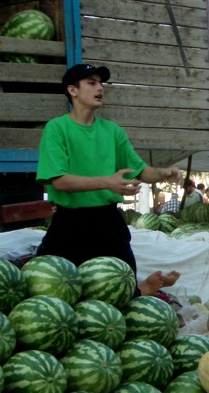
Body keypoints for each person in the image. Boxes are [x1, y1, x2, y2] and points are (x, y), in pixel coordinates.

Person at [36, 63, 180, 296]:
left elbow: (141, 171)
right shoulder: (57, 129)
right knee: (58, 291)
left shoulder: (112, 131)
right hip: (69, 224)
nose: (100, 88)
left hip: (108, 221)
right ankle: (145, 288)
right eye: (91, 83)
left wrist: (163, 173)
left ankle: (143, 290)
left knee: (122, 291)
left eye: (101, 83)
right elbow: (60, 182)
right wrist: (107, 182)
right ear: (72, 90)